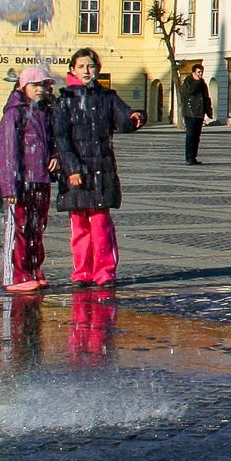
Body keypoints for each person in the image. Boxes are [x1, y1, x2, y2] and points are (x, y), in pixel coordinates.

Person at [52, 48, 143, 287]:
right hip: (76, 173)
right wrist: (72, 168)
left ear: (97, 69)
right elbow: (60, 138)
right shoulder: (65, 100)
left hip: (102, 171)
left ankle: (104, 271)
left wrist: (134, 117)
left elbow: (122, 119)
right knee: (79, 226)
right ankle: (82, 272)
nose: (86, 71)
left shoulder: (107, 97)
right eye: (81, 67)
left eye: (90, 66)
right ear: (72, 70)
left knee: (101, 224)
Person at [0, 66, 59, 292]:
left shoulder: (44, 112)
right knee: (19, 228)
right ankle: (16, 275)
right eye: (35, 85)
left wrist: (55, 156)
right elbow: (8, 152)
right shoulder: (15, 114)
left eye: (44, 85)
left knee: (37, 227)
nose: (40, 89)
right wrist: (9, 187)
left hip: (40, 179)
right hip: (21, 182)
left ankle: (33, 268)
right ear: (23, 87)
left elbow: (52, 141)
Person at [179, 62, 212, 165]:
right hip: (190, 113)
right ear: (193, 72)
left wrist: (208, 110)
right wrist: (196, 81)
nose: (200, 74)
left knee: (197, 137)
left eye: (201, 72)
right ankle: (189, 158)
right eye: (198, 72)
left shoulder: (202, 83)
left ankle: (193, 157)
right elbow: (190, 91)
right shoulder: (188, 81)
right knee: (191, 135)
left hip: (199, 113)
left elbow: (205, 97)